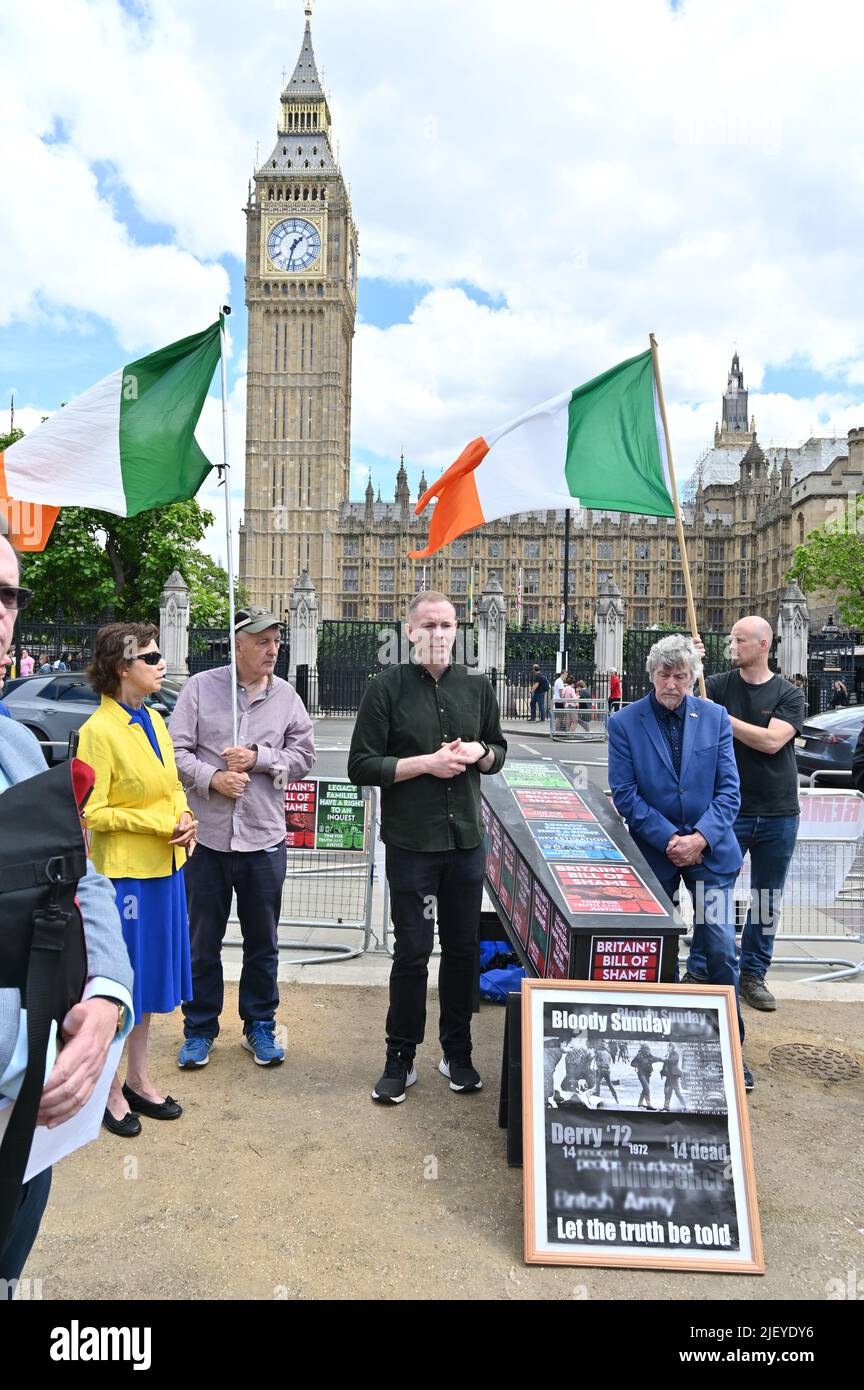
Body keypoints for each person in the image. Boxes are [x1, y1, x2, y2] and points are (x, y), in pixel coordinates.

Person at [0, 537, 133, 1291]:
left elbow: (80, 878)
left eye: (10, 594)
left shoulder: (17, 744)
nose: (1, 610)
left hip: (28, 1111)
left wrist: (109, 997)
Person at [348, 591, 507, 1104]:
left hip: (465, 842)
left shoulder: (477, 687)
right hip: (413, 843)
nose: (439, 633)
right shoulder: (385, 690)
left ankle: (456, 1053)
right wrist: (425, 763)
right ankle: (401, 1056)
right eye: (429, 625)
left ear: (457, 630)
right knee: (412, 953)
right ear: (410, 632)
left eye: (447, 625)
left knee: (462, 952)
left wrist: (481, 752)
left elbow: (497, 749)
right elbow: (362, 766)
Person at [170, 606, 315, 1068]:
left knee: (263, 942)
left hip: (264, 839)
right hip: (207, 841)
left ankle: (259, 1024)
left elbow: (304, 755)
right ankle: (199, 1028)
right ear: (237, 644)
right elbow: (175, 752)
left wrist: (260, 758)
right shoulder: (199, 688)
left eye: (275, 640)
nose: (272, 649)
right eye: (261, 641)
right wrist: (212, 778)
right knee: (201, 941)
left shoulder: (288, 696)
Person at [607, 634, 752, 1090]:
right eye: (664, 675)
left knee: (721, 949)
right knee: (657, 953)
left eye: (681, 675)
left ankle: (730, 1050)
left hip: (709, 856)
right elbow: (626, 796)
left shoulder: (715, 718)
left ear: (693, 677)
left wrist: (700, 839)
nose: (672, 683)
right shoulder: (625, 722)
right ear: (651, 675)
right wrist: (671, 838)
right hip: (657, 854)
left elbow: (730, 791)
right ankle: (656, 1050)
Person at [77, 623, 196, 1137]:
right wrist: (159, 825)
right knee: (120, 987)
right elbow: (92, 811)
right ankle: (106, 1090)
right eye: (149, 657)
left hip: (164, 870)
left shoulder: (154, 718)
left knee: (146, 985)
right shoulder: (96, 731)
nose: (160, 663)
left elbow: (169, 787)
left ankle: (138, 1079)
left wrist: (186, 818)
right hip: (125, 878)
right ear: (122, 668)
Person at [696, 617, 806, 1014]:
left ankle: (753, 974)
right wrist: (695, 666)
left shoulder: (788, 693)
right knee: (712, 894)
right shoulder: (720, 685)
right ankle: (702, 968)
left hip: (777, 811)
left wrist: (720, 717)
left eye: (739, 640)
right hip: (730, 809)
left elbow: (772, 741)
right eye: (730, 638)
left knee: (765, 897)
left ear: (763, 645)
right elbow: (687, 702)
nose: (732, 644)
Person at [632, 1044, 663, 1109]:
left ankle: (640, 1103)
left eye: (649, 1049)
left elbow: (656, 1059)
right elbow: (632, 1063)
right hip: (641, 1073)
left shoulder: (650, 1056)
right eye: (647, 1049)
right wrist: (638, 1065)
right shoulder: (639, 1056)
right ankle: (648, 1104)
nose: (648, 1050)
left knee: (645, 1088)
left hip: (648, 1074)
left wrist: (664, 1060)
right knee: (646, 1088)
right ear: (643, 1049)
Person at [660, 1043, 686, 1111]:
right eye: (667, 1047)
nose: (667, 1048)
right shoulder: (667, 1055)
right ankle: (666, 1107)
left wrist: (665, 1059)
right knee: (667, 1092)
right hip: (669, 1076)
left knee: (677, 1092)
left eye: (668, 1047)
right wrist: (662, 1072)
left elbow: (673, 1061)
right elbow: (664, 1065)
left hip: (674, 1076)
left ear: (671, 1047)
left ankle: (684, 1105)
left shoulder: (675, 1054)